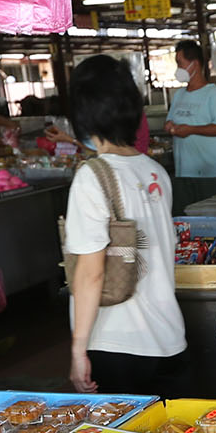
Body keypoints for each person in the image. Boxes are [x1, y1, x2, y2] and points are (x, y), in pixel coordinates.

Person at [62, 55, 188, 395]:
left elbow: (91, 272)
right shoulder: (154, 171)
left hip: (116, 344)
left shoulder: (92, 176)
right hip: (169, 339)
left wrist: (77, 349)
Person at [165, 39, 216, 212]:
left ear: (194, 64)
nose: (178, 69)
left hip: (210, 175)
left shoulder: (214, 94)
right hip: (183, 172)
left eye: (180, 64)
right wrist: (170, 126)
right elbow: (170, 120)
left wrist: (191, 130)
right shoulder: (179, 94)